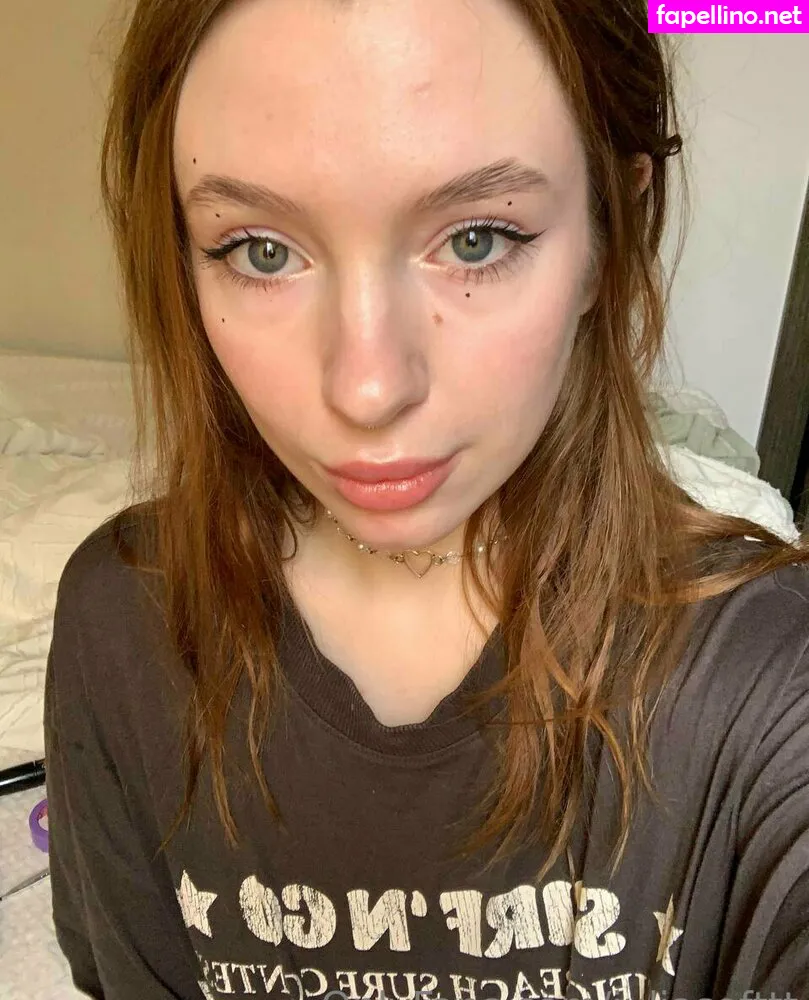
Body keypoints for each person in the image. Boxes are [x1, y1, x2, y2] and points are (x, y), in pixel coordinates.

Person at [43, 0, 809, 997]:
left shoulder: (762, 681)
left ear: (606, 239)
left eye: (478, 239)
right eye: (260, 250)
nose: (367, 389)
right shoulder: (122, 622)